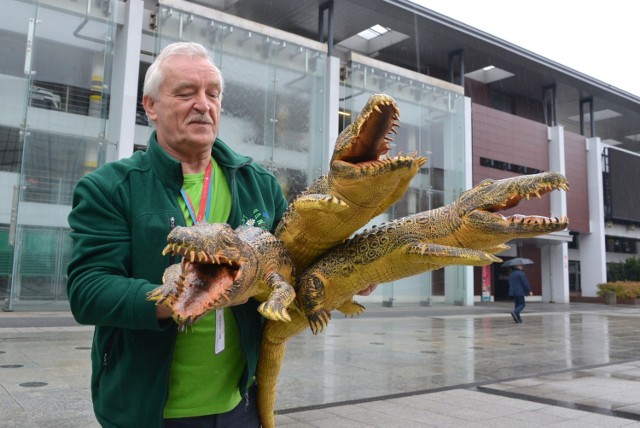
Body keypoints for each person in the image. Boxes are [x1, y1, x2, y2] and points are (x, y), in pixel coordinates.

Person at [66, 41, 289, 427]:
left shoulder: (259, 184)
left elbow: (294, 257)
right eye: (186, 93)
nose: (203, 104)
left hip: (240, 405)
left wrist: (348, 275)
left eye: (212, 94)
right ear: (150, 105)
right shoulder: (110, 187)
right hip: (147, 411)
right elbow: (87, 290)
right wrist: (182, 299)